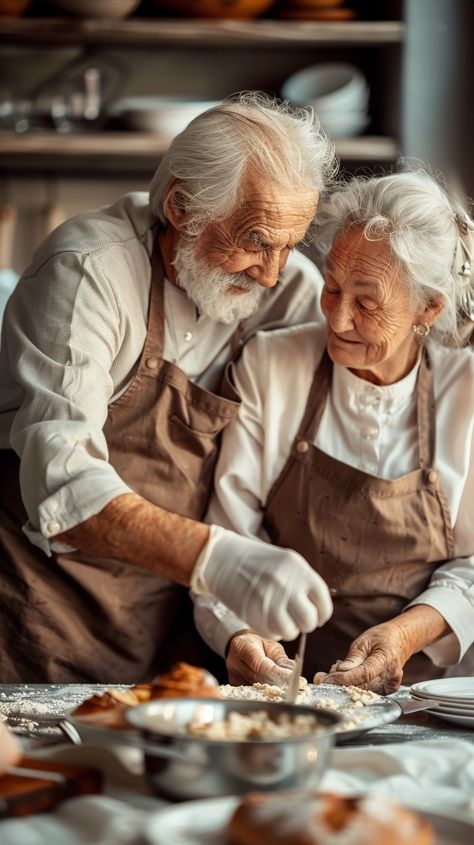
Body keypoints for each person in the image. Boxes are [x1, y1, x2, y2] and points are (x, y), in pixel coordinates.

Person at [0, 92, 336, 684]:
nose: (272, 272)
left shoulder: (287, 296)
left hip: (175, 617)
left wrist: (233, 620)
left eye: (291, 243)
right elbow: (63, 482)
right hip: (44, 609)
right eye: (257, 239)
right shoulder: (89, 270)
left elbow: (267, 467)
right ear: (181, 207)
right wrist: (220, 560)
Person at [194, 168, 474, 694]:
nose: (338, 319)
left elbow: (472, 568)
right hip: (276, 694)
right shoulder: (273, 364)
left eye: (367, 303)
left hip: (421, 698)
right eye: (332, 287)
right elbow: (228, 540)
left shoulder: (467, 392)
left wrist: (402, 636)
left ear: (428, 308)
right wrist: (239, 635)